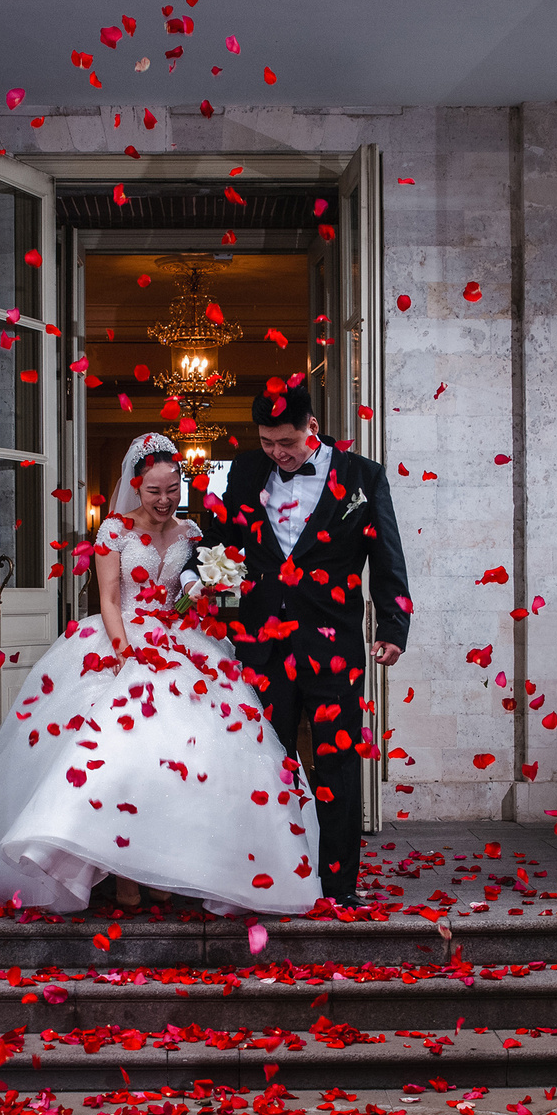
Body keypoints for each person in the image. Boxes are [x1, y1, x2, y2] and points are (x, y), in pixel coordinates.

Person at [0, 432, 320, 914]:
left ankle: (171, 867)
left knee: (186, 758)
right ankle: (123, 873)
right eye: (154, 491)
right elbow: (108, 599)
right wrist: (125, 651)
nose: (165, 500)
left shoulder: (192, 535)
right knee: (119, 756)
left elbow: (189, 590)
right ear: (136, 487)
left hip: (184, 641)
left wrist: (201, 593)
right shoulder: (113, 531)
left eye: (173, 490)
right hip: (122, 637)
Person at [210, 385, 412, 907]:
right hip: (263, 648)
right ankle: (272, 877)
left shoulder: (363, 477)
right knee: (266, 764)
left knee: (337, 764)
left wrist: (392, 626)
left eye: (287, 442)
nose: (278, 453)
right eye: (268, 442)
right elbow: (222, 541)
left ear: (312, 427)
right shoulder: (246, 472)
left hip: (333, 646)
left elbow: (387, 555)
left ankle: (338, 885)